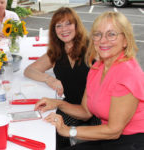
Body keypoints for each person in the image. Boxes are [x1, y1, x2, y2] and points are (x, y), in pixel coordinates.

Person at [35, 11, 144, 150]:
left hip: (132, 141)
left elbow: (114, 131)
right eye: (98, 34)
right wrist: (57, 103)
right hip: (109, 137)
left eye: (111, 34)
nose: (103, 40)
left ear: (125, 40)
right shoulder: (97, 67)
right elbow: (85, 112)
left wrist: (69, 130)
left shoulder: (127, 74)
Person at [24, 7, 100, 149]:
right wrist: (49, 79)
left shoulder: (92, 48)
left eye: (68, 24)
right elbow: (29, 70)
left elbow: (86, 114)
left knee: (93, 144)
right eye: (58, 25)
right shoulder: (56, 52)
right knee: (52, 130)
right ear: (54, 30)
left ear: (76, 25)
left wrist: (57, 103)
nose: (64, 29)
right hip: (72, 106)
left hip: (96, 111)